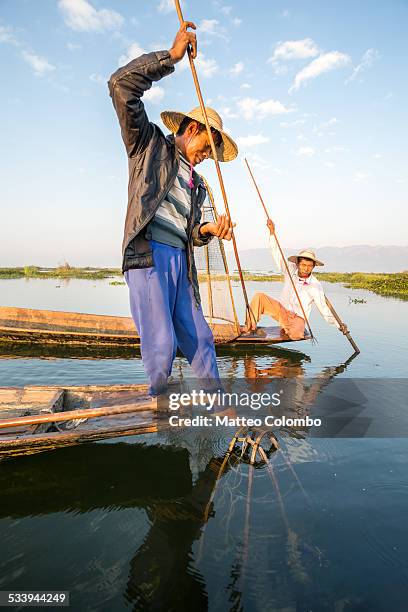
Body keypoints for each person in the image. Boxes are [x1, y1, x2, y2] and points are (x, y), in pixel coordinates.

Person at [108, 22, 238, 396]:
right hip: (149, 257)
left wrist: (209, 231)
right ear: (192, 129)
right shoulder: (148, 145)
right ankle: (158, 403)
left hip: (181, 262)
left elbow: (192, 231)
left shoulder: (196, 184)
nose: (206, 159)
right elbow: (121, 86)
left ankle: (218, 403)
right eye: (206, 150)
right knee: (161, 348)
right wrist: (171, 57)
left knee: (200, 336)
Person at [244, 219, 348, 339]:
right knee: (259, 297)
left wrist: (338, 324)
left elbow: (324, 309)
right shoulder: (290, 270)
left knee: (297, 335)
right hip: (281, 311)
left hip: (297, 319)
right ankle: (249, 328)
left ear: (313, 267)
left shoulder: (315, 285)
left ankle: (288, 330)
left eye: (309, 266)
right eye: (303, 265)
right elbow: (277, 255)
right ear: (297, 264)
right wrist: (272, 233)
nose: (306, 269)